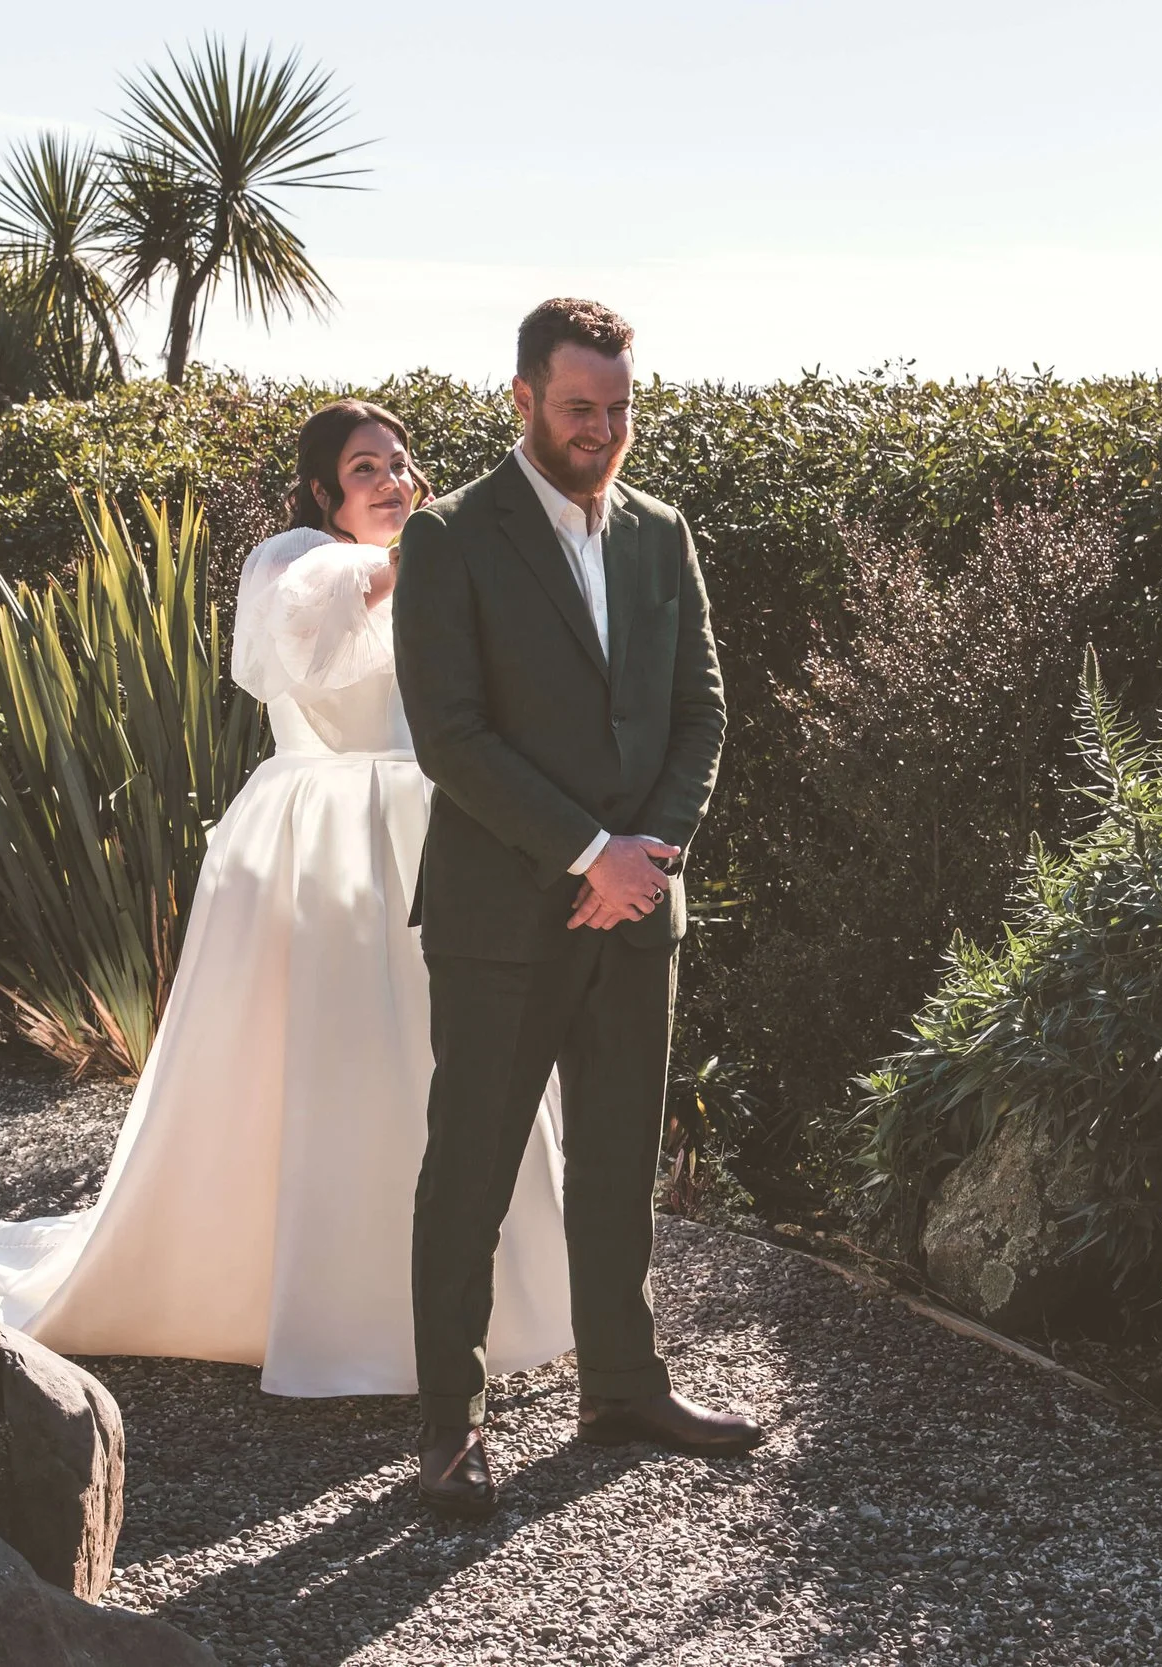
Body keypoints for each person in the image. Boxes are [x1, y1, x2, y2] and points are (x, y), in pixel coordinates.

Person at [0, 401, 574, 1396]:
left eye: (399, 463)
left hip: (435, 828)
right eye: (364, 467)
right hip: (326, 830)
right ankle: (322, 1300)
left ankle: (470, 1295)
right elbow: (319, 631)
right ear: (323, 490)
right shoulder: (297, 559)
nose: (390, 480)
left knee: (445, 1057)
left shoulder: (429, 567)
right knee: (328, 1058)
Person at [394, 298, 763, 1520]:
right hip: (503, 913)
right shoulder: (450, 538)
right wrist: (586, 851)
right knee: (472, 1171)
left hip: (639, 905)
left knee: (615, 1165)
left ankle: (621, 1384)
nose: (601, 431)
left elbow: (702, 710)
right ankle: (450, 1427)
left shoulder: (664, 533)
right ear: (521, 400)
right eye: (576, 409)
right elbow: (449, 735)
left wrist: (646, 852)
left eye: (616, 410)